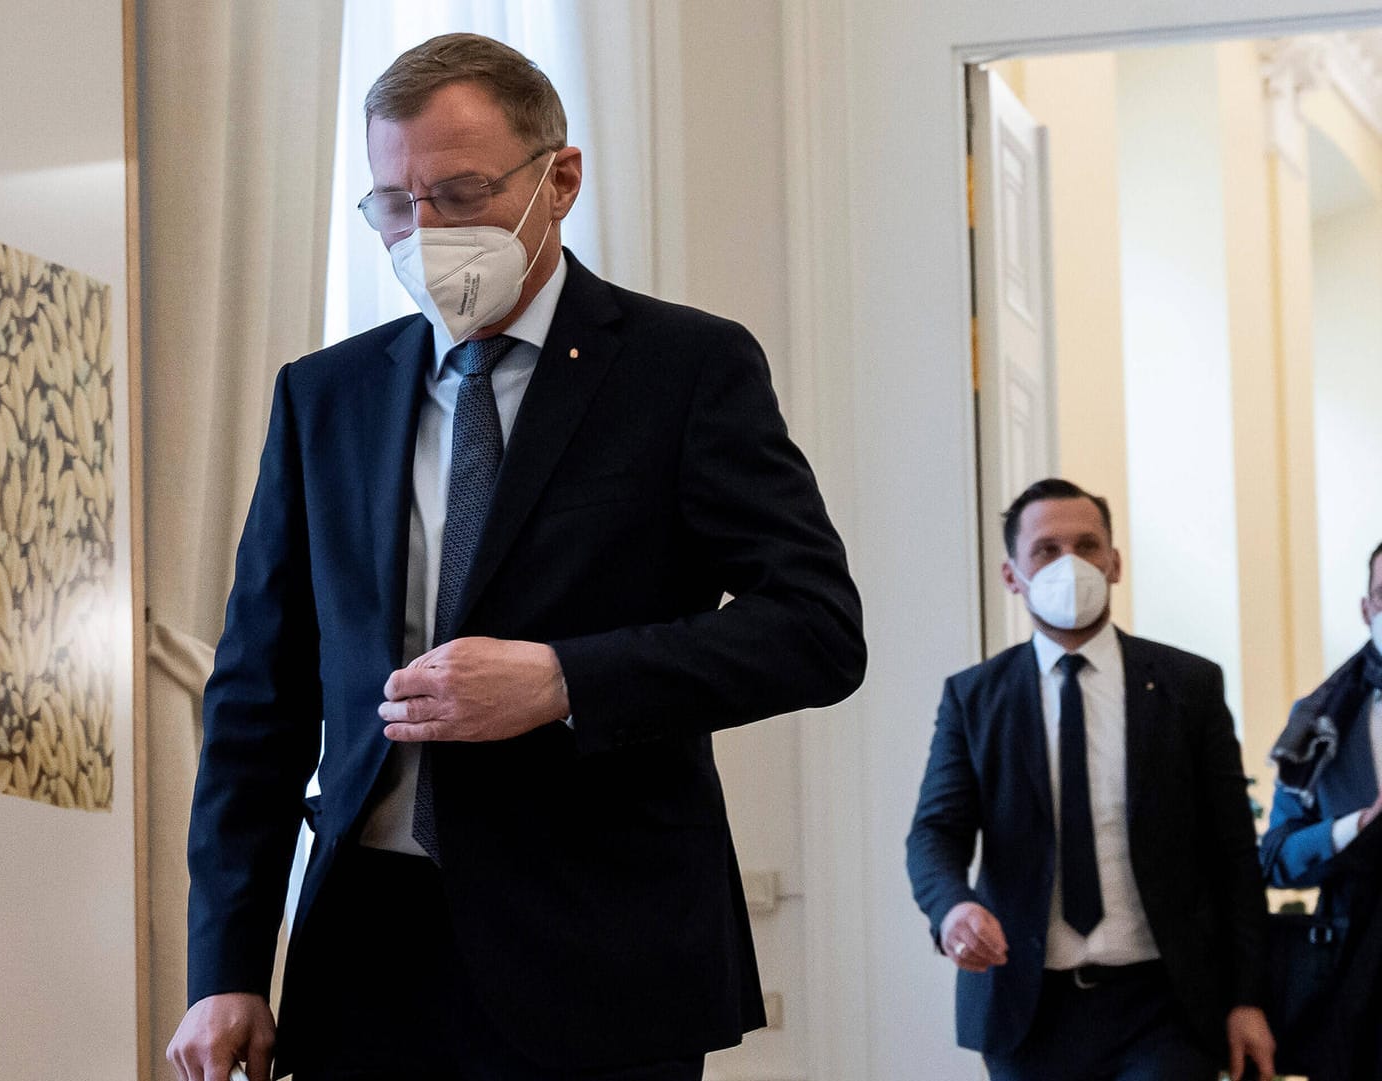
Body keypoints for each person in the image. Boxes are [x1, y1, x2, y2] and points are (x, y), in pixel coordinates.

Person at [166, 32, 865, 1081]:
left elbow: (815, 628)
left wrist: (564, 680)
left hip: (600, 951)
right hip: (371, 953)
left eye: (460, 193)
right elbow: (258, 699)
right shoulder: (325, 397)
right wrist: (223, 966)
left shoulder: (684, 370)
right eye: (394, 206)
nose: (426, 231)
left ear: (560, 180)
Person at [906, 478, 1276, 1081]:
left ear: (1115, 562)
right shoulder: (975, 698)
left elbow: (1234, 852)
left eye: (1087, 545)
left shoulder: (1189, 687)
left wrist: (1248, 998)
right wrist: (952, 910)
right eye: (1046, 550)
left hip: (1167, 1004)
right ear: (1012, 575)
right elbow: (934, 832)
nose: (1070, 564)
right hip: (1028, 1009)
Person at [1262, 539, 1382, 1079]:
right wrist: (1355, 826)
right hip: (1357, 970)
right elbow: (1277, 857)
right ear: (1367, 609)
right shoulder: (1318, 721)